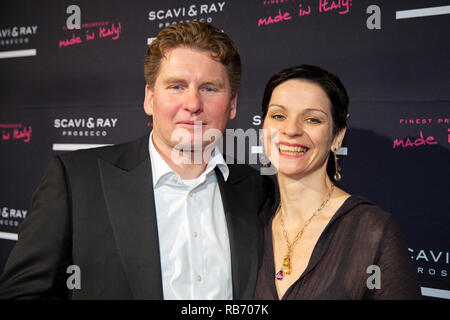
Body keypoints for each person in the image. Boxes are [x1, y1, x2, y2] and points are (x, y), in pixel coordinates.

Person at [0, 22, 273, 300]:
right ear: (149, 99)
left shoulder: (255, 191)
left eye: (209, 88)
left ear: (233, 104)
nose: (192, 104)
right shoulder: (76, 181)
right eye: (176, 86)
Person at [254, 65, 421, 299]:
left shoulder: (373, 232)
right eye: (278, 116)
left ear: (337, 137)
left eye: (312, 119)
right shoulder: (250, 223)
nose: (291, 130)